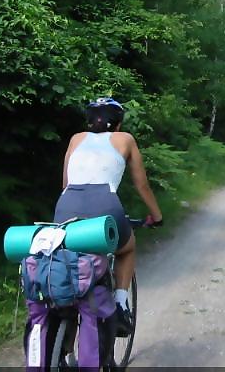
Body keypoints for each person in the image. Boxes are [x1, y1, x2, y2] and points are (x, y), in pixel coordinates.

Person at [54, 97, 163, 336]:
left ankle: (65, 338)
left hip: (66, 206)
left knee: (69, 256)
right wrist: (157, 216)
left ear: (90, 121)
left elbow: (65, 183)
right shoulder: (125, 139)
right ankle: (121, 304)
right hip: (105, 205)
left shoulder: (76, 139)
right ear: (118, 123)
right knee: (127, 247)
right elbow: (142, 185)